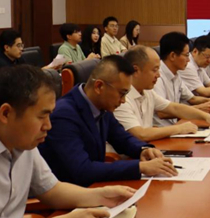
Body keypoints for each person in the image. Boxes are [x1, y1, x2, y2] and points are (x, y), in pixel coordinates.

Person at [0, 65, 137, 218]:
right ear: (6, 114)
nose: (48, 125)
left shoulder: (25, 145)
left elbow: (52, 190)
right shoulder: (26, 139)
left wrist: (103, 195)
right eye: (41, 116)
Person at [38, 55, 178, 187]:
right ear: (99, 86)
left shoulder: (101, 105)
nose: (123, 101)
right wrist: (139, 167)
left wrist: (143, 150)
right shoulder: (64, 115)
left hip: (94, 188)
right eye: (121, 93)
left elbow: (122, 138)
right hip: (71, 194)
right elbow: (82, 170)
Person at [114, 46, 210, 142]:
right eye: (154, 70)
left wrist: (206, 117)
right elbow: (140, 134)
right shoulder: (120, 99)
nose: (158, 75)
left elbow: (174, 108)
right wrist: (179, 128)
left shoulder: (147, 91)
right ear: (136, 70)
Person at [153, 32, 210, 127]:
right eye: (186, 55)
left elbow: (192, 98)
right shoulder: (157, 77)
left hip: (176, 125)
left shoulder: (176, 74)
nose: (188, 60)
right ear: (172, 56)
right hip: (162, 130)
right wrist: (198, 108)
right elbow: (162, 113)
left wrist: (208, 101)